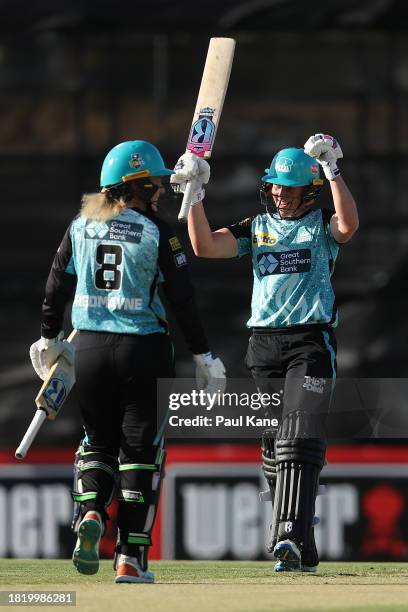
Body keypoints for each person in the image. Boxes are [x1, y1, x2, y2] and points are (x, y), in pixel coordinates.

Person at [29, 140, 225, 583]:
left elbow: (55, 285)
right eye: (152, 185)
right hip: (145, 351)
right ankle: (130, 559)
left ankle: (92, 511)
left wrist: (48, 337)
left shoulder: (80, 225)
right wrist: (203, 352)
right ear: (133, 188)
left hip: (91, 350)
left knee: (96, 443)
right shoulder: (160, 232)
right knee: (141, 454)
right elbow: (182, 299)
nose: (157, 192)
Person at [171, 133, 359, 572]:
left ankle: (288, 534)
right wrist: (194, 194)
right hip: (263, 347)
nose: (281, 195)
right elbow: (203, 246)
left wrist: (333, 169)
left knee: (298, 436)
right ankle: (301, 547)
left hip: (310, 342)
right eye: (276, 187)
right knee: (276, 446)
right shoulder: (256, 227)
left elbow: (347, 226)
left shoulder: (321, 226)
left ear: (310, 191)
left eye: (290, 190)